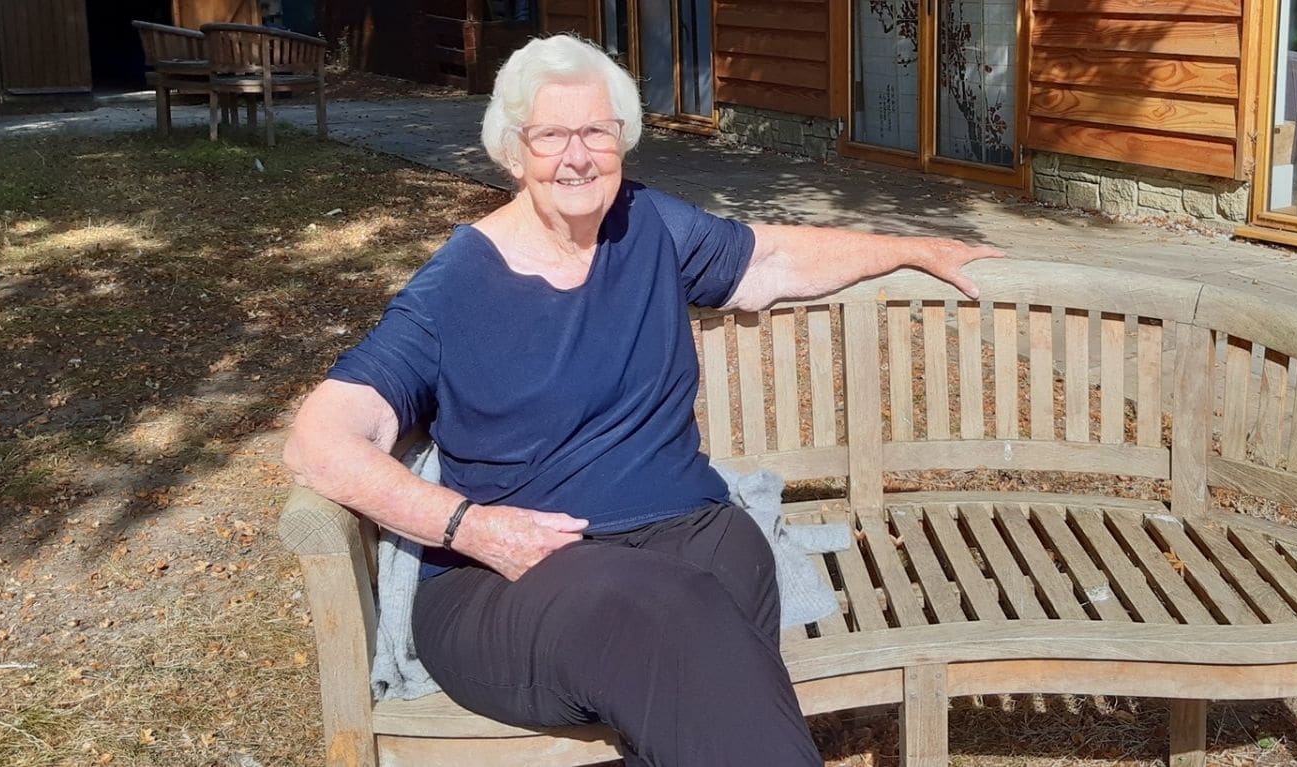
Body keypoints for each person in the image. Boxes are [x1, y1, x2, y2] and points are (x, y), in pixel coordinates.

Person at [282, 34, 1000, 766]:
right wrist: (469, 526)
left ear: (623, 139)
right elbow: (317, 442)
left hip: (682, 532)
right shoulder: (455, 286)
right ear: (512, 150)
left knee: (728, 563)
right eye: (551, 134)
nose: (577, 155)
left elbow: (771, 258)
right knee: (670, 610)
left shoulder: (648, 226)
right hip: (517, 576)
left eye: (597, 131)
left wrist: (912, 247)